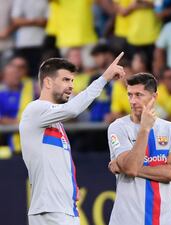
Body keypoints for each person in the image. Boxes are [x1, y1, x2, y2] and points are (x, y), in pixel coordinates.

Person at [19, 52, 125, 225]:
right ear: (47, 82)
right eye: (65, 80)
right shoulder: (35, 110)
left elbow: (58, 161)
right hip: (50, 210)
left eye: (72, 81)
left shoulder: (55, 122)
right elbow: (73, 109)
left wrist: (71, 187)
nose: (71, 86)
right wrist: (104, 78)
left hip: (64, 208)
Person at [107, 73, 171, 225]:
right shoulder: (118, 127)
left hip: (163, 220)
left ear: (154, 97)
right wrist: (144, 129)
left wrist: (126, 167)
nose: (132, 101)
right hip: (127, 220)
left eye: (138, 95)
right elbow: (130, 168)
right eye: (129, 95)